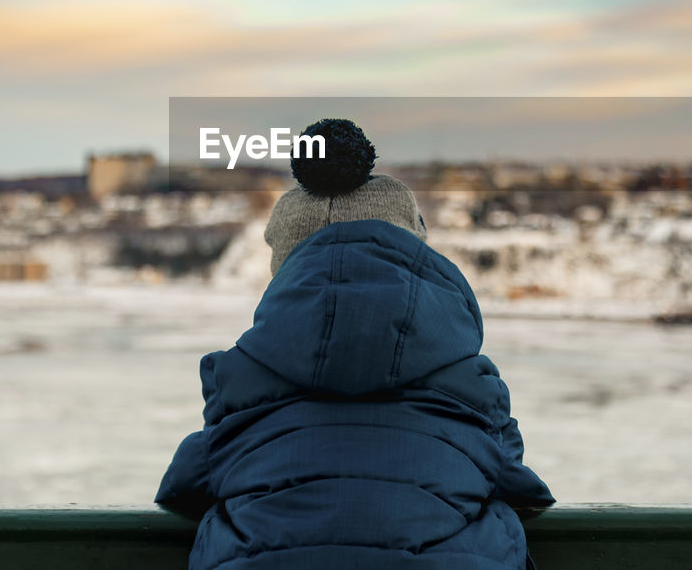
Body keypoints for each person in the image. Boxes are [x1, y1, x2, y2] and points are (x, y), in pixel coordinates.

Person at [157, 119, 554, 569]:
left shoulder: (242, 381)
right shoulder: (469, 383)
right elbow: (522, 485)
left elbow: (183, 485)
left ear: (284, 272)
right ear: (416, 252)